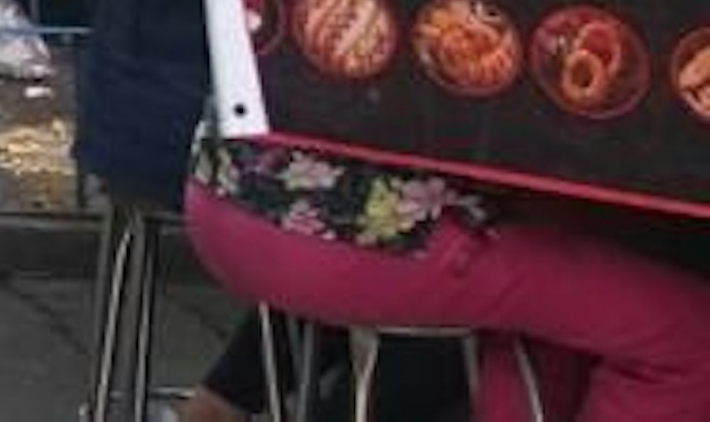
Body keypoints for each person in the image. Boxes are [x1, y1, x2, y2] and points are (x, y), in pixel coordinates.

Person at [76, 0, 462, 421]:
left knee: (364, 233)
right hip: (223, 155)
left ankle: (221, 403)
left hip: (136, 134)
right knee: (396, 238)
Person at [187, 129, 710, 420]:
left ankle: (219, 403)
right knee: (692, 339)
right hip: (369, 227)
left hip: (224, 186)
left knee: (570, 292)